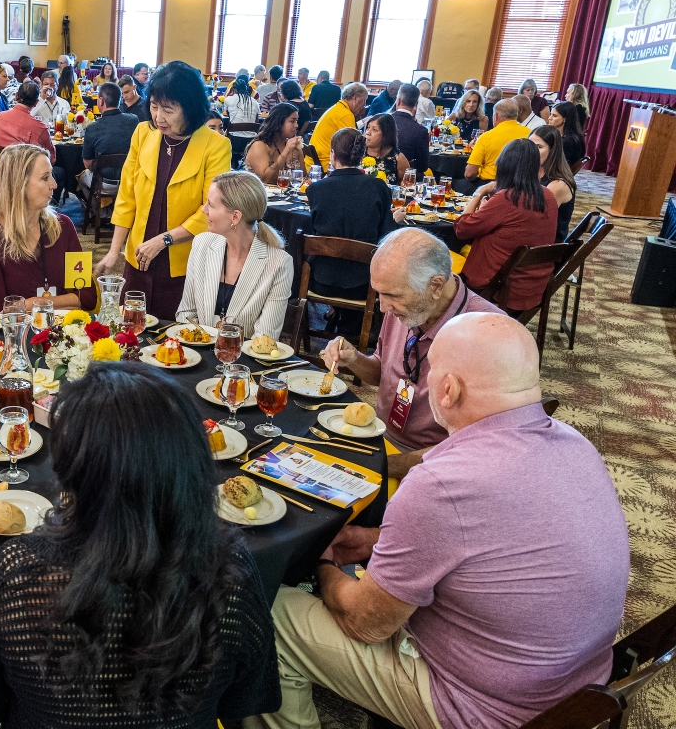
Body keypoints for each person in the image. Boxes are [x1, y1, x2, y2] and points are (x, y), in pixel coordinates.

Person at [265, 311, 629, 729]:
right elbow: (494, 538)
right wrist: (375, 538)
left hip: (483, 708)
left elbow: (366, 624)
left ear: (448, 389)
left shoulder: (442, 485)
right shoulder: (576, 443)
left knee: (270, 612)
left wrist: (324, 567)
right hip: (576, 688)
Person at [0, 363, 282, 728]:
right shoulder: (230, 569)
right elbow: (245, 701)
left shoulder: (18, 573)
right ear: (191, 464)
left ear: (70, 470)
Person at [322, 228, 501, 473]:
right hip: (378, 435)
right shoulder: (406, 306)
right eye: (379, 293)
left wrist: (385, 466)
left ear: (436, 286)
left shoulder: (489, 335)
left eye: (391, 295)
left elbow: (475, 445)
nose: (383, 307)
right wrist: (354, 359)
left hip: (436, 465)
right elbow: (382, 375)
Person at [95, 61, 232, 319]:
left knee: (174, 340)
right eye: (154, 107)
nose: (158, 117)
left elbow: (211, 211)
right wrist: (114, 251)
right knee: (131, 331)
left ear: (190, 108)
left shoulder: (215, 146)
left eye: (168, 110)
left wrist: (164, 240)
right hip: (139, 256)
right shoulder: (143, 134)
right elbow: (127, 197)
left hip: (184, 261)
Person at [0, 144, 95, 311]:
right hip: (16, 334)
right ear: (18, 184)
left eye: (51, 175)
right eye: (45, 178)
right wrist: (65, 301)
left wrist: (33, 303)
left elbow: (88, 297)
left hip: (60, 332)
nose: (54, 184)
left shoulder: (63, 226)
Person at [177, 170, 293, 336]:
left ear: (235, 217)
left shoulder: (279, 264)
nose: (204, 210)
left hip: (243, 360)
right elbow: (186, 314)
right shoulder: (201, 244)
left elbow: (265, 337)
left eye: (211, 204)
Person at [455, 138, 559, 312]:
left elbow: (461, 228)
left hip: (502, 286)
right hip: (534, 284)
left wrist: (478, 194)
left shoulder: (508, 198)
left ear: (504, 166)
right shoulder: (548, 195)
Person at [307, 128, 398, 314]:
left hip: (322, 281)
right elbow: (387, 236)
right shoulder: (378, 187)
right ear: (362, 155)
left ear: (333, 154)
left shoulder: (316, 189)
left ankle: (337, 318)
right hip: (364, 284)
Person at [457, 98, 529, 195]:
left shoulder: (487, 137)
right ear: (516, 115)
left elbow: (470, 174)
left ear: (495, 116)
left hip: (490, 186)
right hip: (521, 188)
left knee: (456, 183)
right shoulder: (530, 134)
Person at [77, 81, 137, 191]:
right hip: (131, 180)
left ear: (101, 101)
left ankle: (96, 207)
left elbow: (88, 164)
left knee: (80, 178)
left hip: (104, 183)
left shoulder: (92, 128)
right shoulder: (134, 120)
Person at [531, 125, 578, 242]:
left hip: (547, 246)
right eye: (530, 146)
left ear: (552, 151)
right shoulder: (532, 172)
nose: (532, 151)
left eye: (539, 147)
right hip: (532, 235)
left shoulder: (558, 184)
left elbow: (536, 218)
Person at [0, 82, 56, 162]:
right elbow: (51, 159)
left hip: (0, 171)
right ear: (36, 103)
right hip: (25, 173)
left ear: (16, 96)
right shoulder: (40, 128)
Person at [308, 82, 368, 170]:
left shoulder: (337, 108)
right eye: (364, 100)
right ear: (355, 98)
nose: (364, 105)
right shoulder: (345, 114)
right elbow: (354, 144)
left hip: (314, 160)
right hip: (326, 164)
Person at [245, 103, 304, 183]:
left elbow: (303, 178)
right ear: (278, 122)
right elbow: (265, 180)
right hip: (262, 194)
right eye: (292, 121)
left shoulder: (295, 147)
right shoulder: (259, 146)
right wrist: (286, 151)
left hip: (289, 194)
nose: (296, 125)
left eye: (296, 121)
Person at [388, 83, 430, 176]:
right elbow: (423, 166)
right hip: (405, 179)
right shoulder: (420, 131)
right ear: (416, 104)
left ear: (398, 101)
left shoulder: (380, 121)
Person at [363, 113, 409, 183]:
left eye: (374, 130)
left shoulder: (398, 158)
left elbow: (406, 185)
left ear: (386, 135)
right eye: (368, 128)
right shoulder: (358, 151)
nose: (368, 133)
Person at [548, 101, 586, 168]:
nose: (549, 118)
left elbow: (556, 163)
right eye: (551, 114)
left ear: (565, 119)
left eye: (554, 116)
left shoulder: (569, 141)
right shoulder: (569, 136)